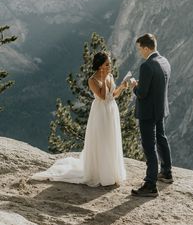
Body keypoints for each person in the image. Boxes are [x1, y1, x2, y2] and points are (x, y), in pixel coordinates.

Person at [32, 52, 127, 187]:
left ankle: (112, 171)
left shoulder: (110, 76)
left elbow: (113, 95)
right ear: (100, 66)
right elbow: (102, 96)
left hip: (111, 110)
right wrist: (104, 79)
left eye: (110, 63)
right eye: (107, 64)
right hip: (100, 112)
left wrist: (122, 87)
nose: (110, 66)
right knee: (102, 139)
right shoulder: (92, 80)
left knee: (111, 138)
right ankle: (100, 173)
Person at [130, 33, 173, 197]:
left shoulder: (146, 66)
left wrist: (134, 85)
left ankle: (150, 184)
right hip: (161, 109)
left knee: (149, 146)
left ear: (147, 48)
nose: (139, 52)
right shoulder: (164, 61)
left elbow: (141, 93)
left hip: (148, 112)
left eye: (140, 48)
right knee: (162, 138)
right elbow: (159, 85)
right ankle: (167, 172)